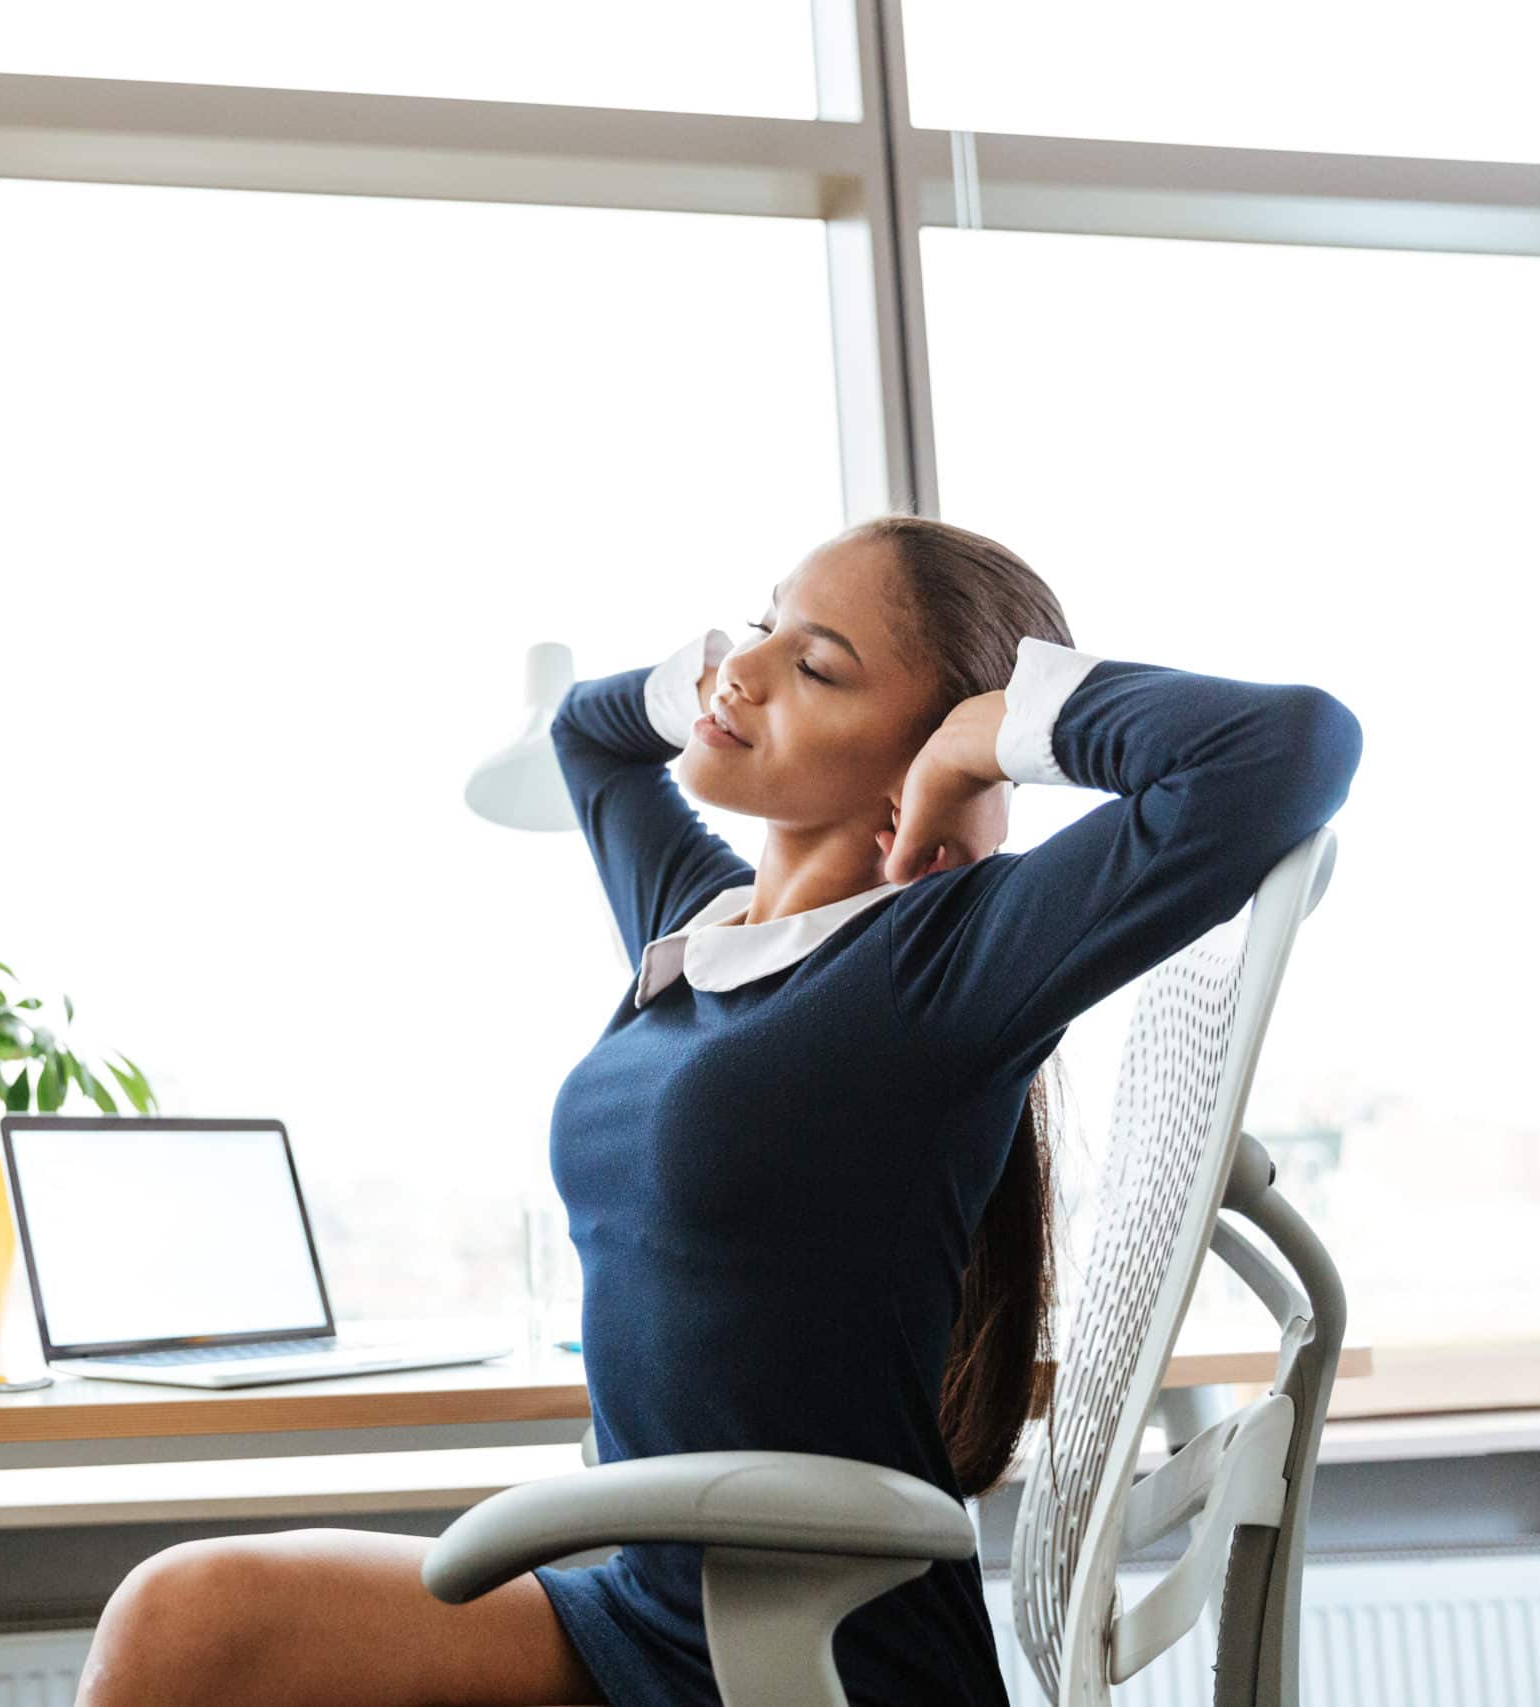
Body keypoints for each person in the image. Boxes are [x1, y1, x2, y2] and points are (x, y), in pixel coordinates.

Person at [69, 513, 1364, 1707]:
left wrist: (1000, 729)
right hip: (643, 1605)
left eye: (822, 667)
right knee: (198, 1631)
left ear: (914, 762)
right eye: (758, 627)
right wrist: (733, 667)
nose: (744, 674)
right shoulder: (698, 932)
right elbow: (587, 735)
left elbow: (1288, 748)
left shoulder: (941, 961)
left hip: (817, 1640)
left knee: (188, 1620)